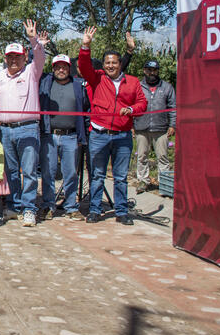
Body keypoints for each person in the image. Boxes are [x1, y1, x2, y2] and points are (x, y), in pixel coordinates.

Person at [79, 26, 147, 225]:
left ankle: (121, 212)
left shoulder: (133, 82)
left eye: (114, 63)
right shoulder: (97, 78)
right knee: (97, 175)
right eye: (107, 63)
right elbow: (83, 66)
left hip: (122, 136)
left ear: (120, 64)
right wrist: (86, 45)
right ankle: (94, 210)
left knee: (120, 177)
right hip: (99, 135)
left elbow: (142, 103)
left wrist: (132, 109)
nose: (110, 66)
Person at [0, 19, 47, 227]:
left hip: (28, 128)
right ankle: (14, 206)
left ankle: (29, 208)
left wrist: (33, 39)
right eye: (10, 57)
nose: (14, 60)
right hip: (6, 130)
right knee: (11, 171)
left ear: (24, 58)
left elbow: (40, 56)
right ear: (5, 58)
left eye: (18, 56)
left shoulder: (32, 72)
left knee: (30, 171)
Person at [38, 54, 90, 221]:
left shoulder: (78, 85)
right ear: (53, 69)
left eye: (64, 67)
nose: (61, 70)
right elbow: (35, 64)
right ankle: (48, 205)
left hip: (71, 136)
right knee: (48, 172)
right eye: (58, 67)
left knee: (70, 174)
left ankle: (71, 207)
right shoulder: (45, 82)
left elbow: (87, 109)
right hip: (49, 135)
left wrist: (85, 133)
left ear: (69, 68)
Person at [133, 60, 176, 193]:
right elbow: (132, 106)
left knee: (162, 156)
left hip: (161, 128)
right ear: (144, 70)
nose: (152, 73)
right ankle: (143, 181)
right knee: (142, 156)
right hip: (141, 126)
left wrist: (172, 124)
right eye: (149, 70)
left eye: (155, 70)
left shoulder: (167, 87)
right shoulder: (138, 86)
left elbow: (172, 107)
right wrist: (131, 125)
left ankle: (164, 185)